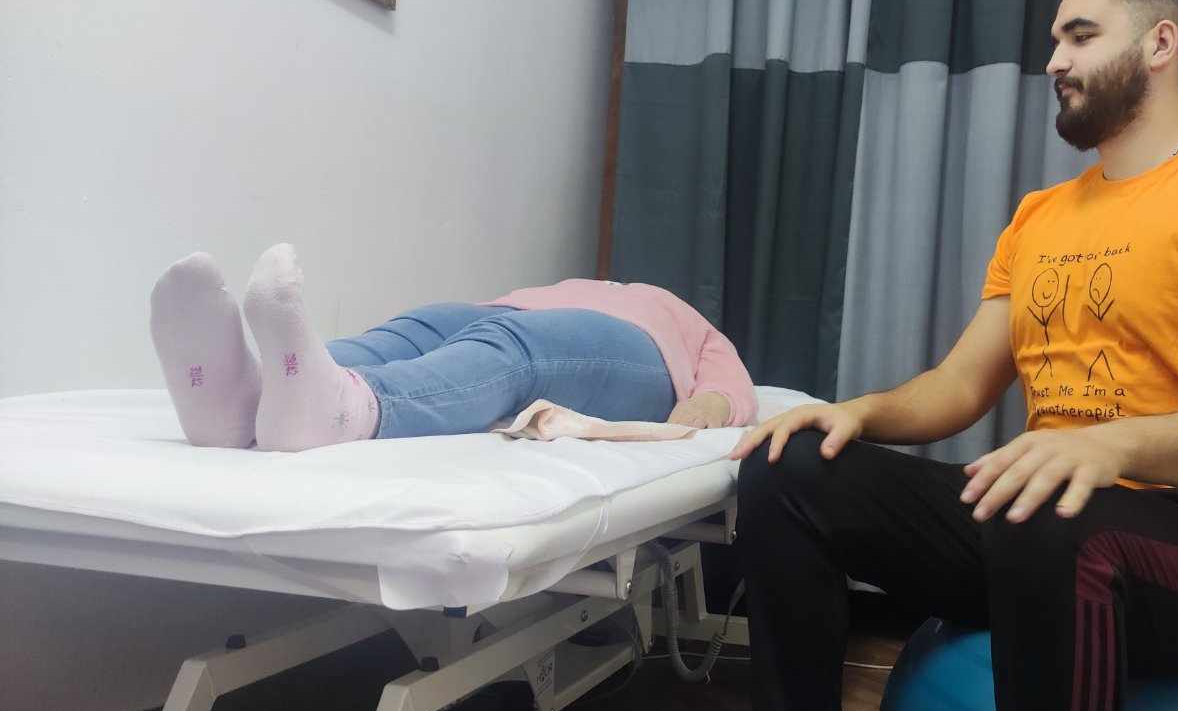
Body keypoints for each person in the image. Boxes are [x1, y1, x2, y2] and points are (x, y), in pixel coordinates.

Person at [729, 0, 1178, 711]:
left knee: (1049, 515)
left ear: (1160, 43)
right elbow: (960, 385)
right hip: (1038, 525)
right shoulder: (1040, 217)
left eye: (1081, 36)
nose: (1055, 60)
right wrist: (856, 413)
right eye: (1055, 40)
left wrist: (1111, 446)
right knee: (788, 471)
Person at [149, 243, 756, 451]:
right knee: (418, 328)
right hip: (507, 310)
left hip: (640, 358)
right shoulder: (568, 288)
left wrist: (710, 408)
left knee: (517, 346)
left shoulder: (679, 316)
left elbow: (730, 378)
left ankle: (350, 409)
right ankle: (241, 399)